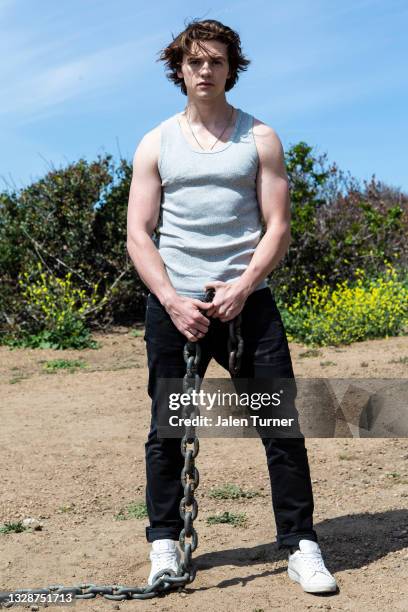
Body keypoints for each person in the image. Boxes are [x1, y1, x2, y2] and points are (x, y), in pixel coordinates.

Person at [126, 18, 337, 594]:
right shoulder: (155, 142)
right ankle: (165, 544)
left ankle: (301, 545)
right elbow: (139, 235)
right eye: (195, 61)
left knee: (280, 426)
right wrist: (171, 301)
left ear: (230, 68)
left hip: (249, 304)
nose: (205, 70)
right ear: (179, 68)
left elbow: (278, 227)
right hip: (176, 307)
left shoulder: (260, 137)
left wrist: (244, 286)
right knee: (169, 429)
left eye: (216, 61)